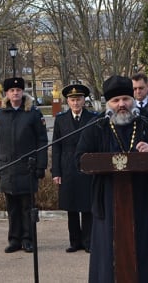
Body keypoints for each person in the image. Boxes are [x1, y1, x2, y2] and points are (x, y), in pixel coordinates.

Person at [75, 75, 148, 283]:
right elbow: (79, 158)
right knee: (109, 257)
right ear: (108, 103)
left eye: (125, 98)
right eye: (115, 100)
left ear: (133, 99)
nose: (121, 104)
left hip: (146, 201)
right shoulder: (97, 125)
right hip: (108, 201)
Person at [0, 77, 48, 253]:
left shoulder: (33, 114)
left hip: (27, 168)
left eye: (19, 90)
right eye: (12, 91)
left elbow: (42, 141)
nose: (15, 93)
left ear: (23, 92)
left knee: (27, 207)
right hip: (7, 168)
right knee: (12, 208)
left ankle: (28, 239)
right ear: (7, 93)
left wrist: (41, 166)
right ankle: (14, 240)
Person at [51, 84, 97, 253]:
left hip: (86, 166)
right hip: (67, 167)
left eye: (78, 99)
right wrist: (56, 171)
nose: (76, 103)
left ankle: (88, 241)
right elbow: (56, 147)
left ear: (84, 100)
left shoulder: (93, 118)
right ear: (67, 102)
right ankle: (74, 241)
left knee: (87, 207)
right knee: (71, 207)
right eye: (72, 100)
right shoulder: (61, 119)